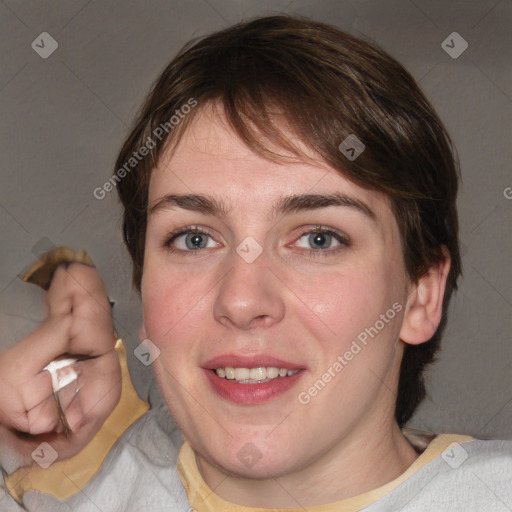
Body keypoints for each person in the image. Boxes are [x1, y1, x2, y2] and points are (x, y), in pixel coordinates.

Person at [1, 15, 511, 511]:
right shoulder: (56, 487)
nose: (242, 301)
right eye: (195, 239)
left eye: (318, 238)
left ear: (421, 294)